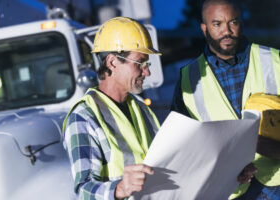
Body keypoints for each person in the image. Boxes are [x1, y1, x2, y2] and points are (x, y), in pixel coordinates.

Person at [171, 0, 280, 199]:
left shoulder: (275, 60)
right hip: (230, 189)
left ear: (241, 23)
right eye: (217, 24)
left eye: (233, 22)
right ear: (204, 28)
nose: (226, 31)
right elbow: (184, 143)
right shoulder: (188, 79)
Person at [62, 17, 161, 199]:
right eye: (140, 63)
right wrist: (120, 189)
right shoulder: (84, 117)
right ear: (112, 62)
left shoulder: (141, 108)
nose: (147, 72)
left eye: (147, 64)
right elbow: (84, 191)